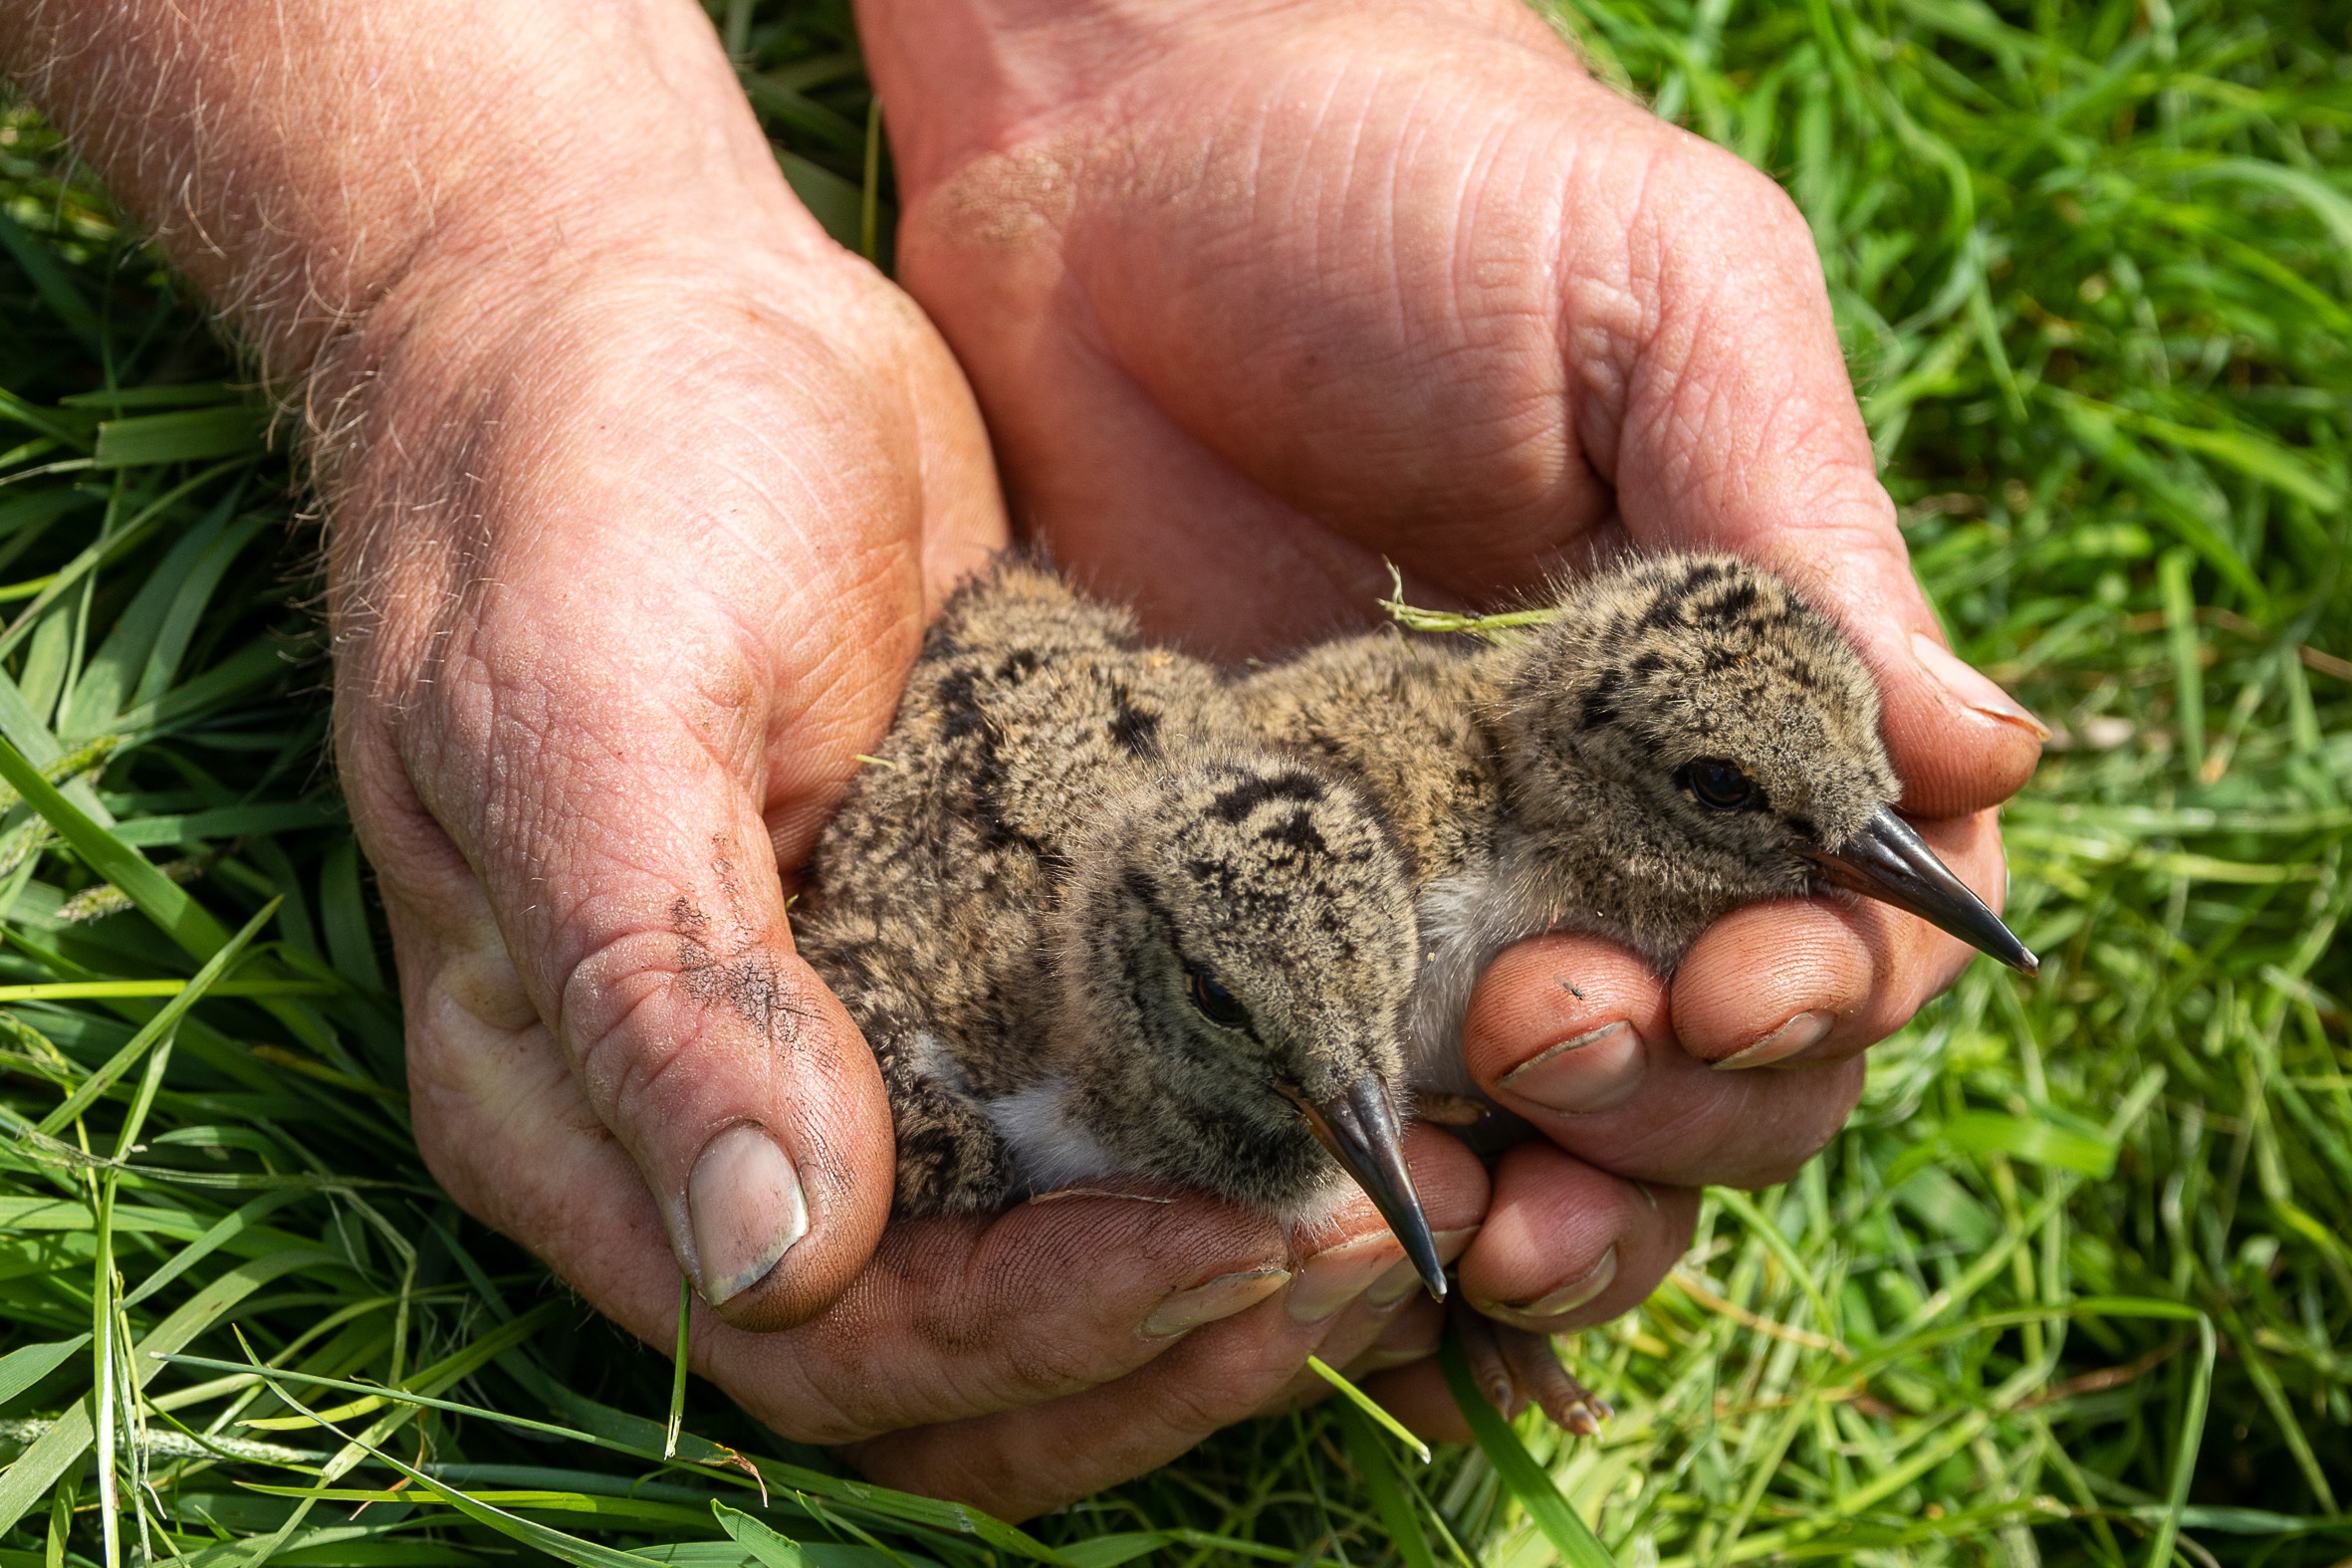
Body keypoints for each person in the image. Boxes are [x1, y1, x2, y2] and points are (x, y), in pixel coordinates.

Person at [3, 0, 2042, 1519]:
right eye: (1741, 805)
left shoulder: (1437, 836)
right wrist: (513, 248)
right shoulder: (1049, 1021)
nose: (1821, 857)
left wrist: (1136, 58)